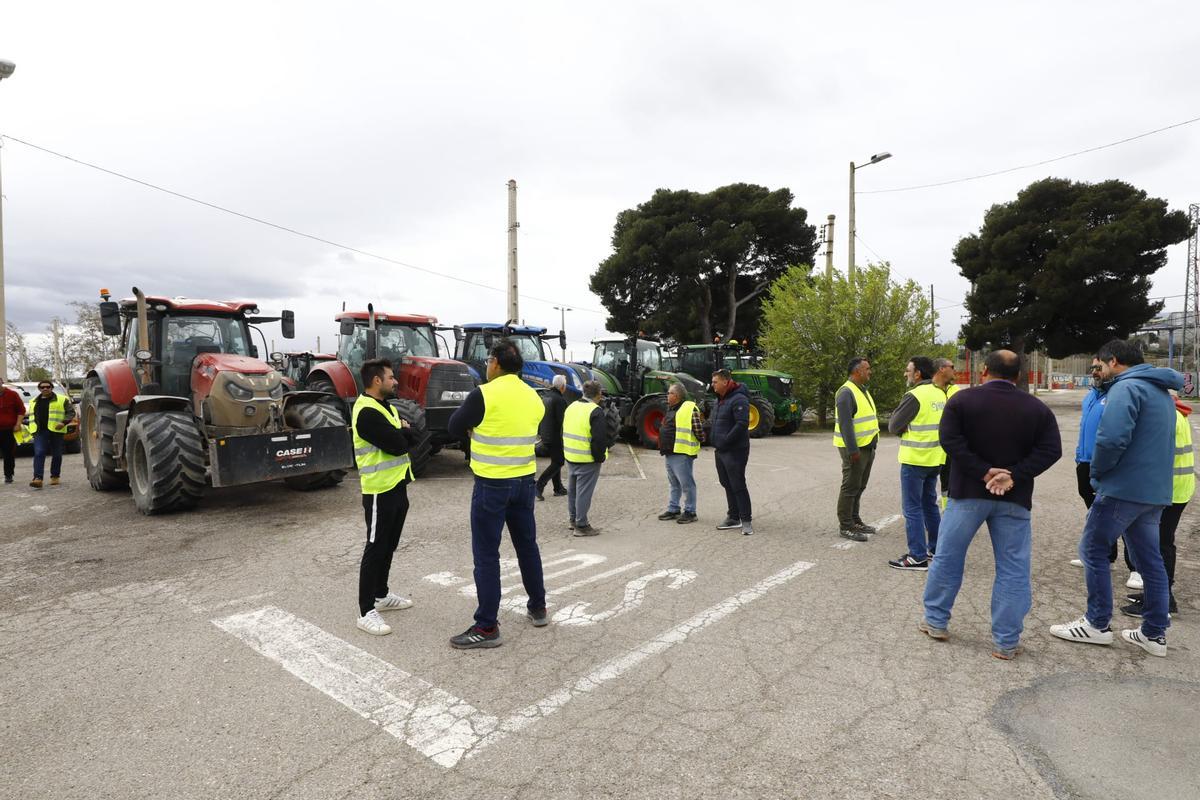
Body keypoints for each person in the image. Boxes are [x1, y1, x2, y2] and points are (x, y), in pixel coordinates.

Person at [920, 350, 1062, 660]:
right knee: (1013, 568)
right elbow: (1052, 450)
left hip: (966, 494)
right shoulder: (1036, 409)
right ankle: (1006, 642)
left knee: (948, 557)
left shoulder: (962, 401)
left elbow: (950, 441)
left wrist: (983, 471)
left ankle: (936, 621)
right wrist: (1014, 474)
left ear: (984, 370)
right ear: (1019, 375)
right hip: (1013, 498)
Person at [1051, 340, 1182, 657]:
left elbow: (1110, 439)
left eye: (1101, 364)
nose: (1100, 369)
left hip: (1123, 489)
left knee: (1093, 549)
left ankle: (1096, 625)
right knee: (1150, 560)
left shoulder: (1126, 388)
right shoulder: (1161, 391)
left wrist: (1097, 474)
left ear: (1113, 361)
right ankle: (1153, 633)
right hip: (1154, 491)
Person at [447, 339, 548, 649]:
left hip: (492, 484)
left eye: (489, 360)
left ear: (496, 364)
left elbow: (454, 426)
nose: (487, 366)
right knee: (527, 546)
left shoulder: (484, 394)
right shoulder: (534, 397)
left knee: (487, 556)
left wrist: (472, 430)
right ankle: (538, 607)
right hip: (524, 482)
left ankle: (487, 626)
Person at [351, 359, 418, 636]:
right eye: (391, 377)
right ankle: (366, 611)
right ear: (377, 381)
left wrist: (404, 432)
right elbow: (399, 443)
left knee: (389, 545)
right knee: (375, 547)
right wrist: (404, 432)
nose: (395, 381)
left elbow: (408, 437)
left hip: (398, 486)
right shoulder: (366, 412)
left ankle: (381, 594)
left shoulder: (386, 406)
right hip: (379, 489)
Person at [1122, 395, 1191, 618]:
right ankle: (1157, 594)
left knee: (1160, 545)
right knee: (1161, 543)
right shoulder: (1177, 413)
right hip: (1177, 488)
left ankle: (1163, 599)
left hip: (1169, 489)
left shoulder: (1168, 416)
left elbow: (1153, 455)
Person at [887, 356, 945, 571]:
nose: (906, 374)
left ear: (918, 373)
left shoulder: (914, 395)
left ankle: (917, 556)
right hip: (935, 459)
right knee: (930, 504)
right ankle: (936, 549)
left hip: (915, 460)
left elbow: (893, 426)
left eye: (908, 370)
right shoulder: (940, 394)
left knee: (912, 508)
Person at [1069, 359, 1123, 569]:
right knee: (1095, 511)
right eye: (1093, 368)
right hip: (1085, 461)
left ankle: (1135, 568)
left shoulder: (1118, 395)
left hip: (1108, 464)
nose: (1095, 373)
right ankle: (1104, 555)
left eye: (1099, 368)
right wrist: (1078, 455)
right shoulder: (1090, 396)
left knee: (1120, 513)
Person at [834, 358, 878, 541]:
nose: (870, 371)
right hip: (855, 449)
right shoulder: (846, 392)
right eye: (867, 369)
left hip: (866, 446)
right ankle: (846, 526)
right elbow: (846, 425)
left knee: (859, 485)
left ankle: (854, 519)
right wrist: (853, 451)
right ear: (857, 371)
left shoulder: (861, 390)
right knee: (850, 487)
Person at [563, 380, 612, 536]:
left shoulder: (571, 406)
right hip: (587, 459)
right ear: (598, 394)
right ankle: (581, 525)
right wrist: (599, 458)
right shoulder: (595, 411)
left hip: (570, 456)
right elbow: (599, 439)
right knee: (584, 492)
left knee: (573, 491)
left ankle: (573, 520)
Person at [710, 368, 753, 535]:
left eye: (715, 382)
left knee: (737, 484)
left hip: (735, 450)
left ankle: (746, 520)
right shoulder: (719, 400)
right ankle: (733, 517)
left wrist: (725, 441)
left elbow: (742, 424)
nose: (712, 385)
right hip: (720, 450)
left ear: (725, 382)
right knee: (726, 482)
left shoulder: (739, 398)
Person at [657, 382, 703, 525]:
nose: (667, 395)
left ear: (676, 396)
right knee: (674, 483)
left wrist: (702, 440)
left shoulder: (689, 408)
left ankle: (690, 511)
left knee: (686, 484)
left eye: (669, 393)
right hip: (669, 451)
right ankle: (673, 508)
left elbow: (699, 430)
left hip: (681, 452)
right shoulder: (671, 408)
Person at [28, 381, 76, 489]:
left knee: (57, 454)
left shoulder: (62, 399)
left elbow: (71, 412)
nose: (45, 389)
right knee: (39, 453)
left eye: (48, 387)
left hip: (56, 431)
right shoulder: (33, 401)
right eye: (42, 387)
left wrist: (63, 422)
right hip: (40, 431)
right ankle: (38, 478)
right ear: (39, 389)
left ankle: (55, 476)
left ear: (52, 388)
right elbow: (32, 417)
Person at [535, 374, 569, 501]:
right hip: (555, 435)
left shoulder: (546, 396)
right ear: (562, 387)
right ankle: (539, 485)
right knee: (559, 461)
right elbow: (562, 421)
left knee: (556, 460)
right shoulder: (559, 400)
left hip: (545, 433)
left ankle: (558, 488)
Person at [933, 358, 959, 508]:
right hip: (930, 447)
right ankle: (928, 515)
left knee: (948, 481)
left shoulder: (956, 391)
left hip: (950, 445)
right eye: (952, 367)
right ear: (942, 369)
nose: (954, 370)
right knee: (928, 484)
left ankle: (947, 510)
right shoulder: (928, 390)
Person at [0, 381, 26, 485]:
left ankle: (8, 475)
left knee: (8, 453)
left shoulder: (12, 394)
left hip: (9, 429)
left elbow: (21, 410)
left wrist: (18, 424)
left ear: (1, 383)